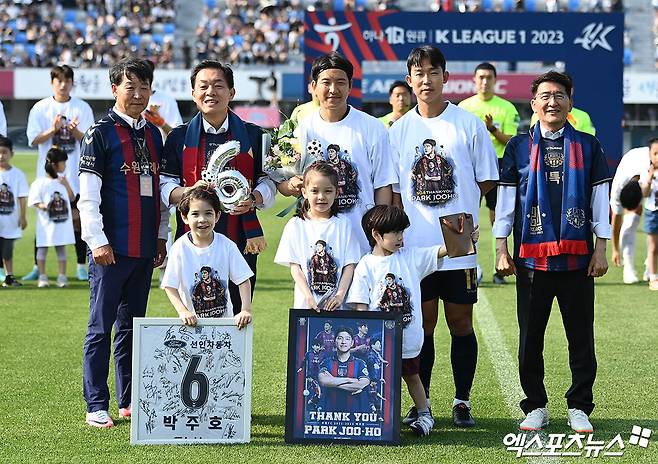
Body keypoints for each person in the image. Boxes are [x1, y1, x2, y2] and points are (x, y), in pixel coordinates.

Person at [493, 71, 611, 433]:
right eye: (545, 96)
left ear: (570, 102)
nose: (552, 102)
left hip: (578, 260)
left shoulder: (588, 146)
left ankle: (579, 406)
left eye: (559, 95)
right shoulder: (518, 147)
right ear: (533, 104)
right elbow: (507, 201)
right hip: (531, 261)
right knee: (530, 338)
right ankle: (535, 406)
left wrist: (601, 249)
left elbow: (599, 201)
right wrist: (501, 247)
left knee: (581, 336)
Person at [389, 46, 499, 428]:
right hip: (415, 247)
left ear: (445, 77)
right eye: (418, 73)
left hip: (458, 246)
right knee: (422, 325)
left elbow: (486, 179)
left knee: (461, 322)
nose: (426, 80)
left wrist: (462, 210)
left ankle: (462, 400)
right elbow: (397, 191)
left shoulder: (468, 124)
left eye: (433, 72)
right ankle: (422, 403)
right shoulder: (398, 131)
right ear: (409, 80)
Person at [78, 57, 169, 428]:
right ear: (114, 89)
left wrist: (161, 237)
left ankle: (129, 400)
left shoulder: (154, 135)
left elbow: (160, 194)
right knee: (101, 327)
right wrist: (96, 240)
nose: (138, 94)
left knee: (133, 328)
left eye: (144, 88)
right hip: (110, 250)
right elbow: (87, 195)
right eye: (130, 87)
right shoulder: (98, 134)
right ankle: (96, 403)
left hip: (144, 249)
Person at [348, 205, 479, 436]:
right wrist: (364, 336)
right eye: (395, 233)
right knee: (376, 379)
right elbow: (360, 304)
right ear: (377, 234)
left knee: (411, 376)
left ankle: (425, 415)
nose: (401, 237)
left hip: (408, 336)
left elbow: (440, 251)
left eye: (402, 232)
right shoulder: (365, 266)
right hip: (378, 342)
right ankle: (379, 416)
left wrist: (465, 238)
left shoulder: (409, 257)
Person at [160, 60, 277, 315]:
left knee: (239, 311)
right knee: (194, 310)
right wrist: (189, 192)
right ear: (193, 93)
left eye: (218, 86)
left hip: (241, 236)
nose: (210, 92)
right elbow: (165, 184)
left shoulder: (255, 135)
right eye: (203, 86)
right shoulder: (178, 137)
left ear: (231, 92)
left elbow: (269, 180)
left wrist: (254, 198)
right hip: (194, 236)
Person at [296, 52, 397, 253]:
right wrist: (291, 183)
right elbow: (287, 182)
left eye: (340, 82)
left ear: (350, 86)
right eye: (326, 82)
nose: (333, 89)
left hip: (363, 240)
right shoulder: (302, 130)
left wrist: (379, 232)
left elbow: (383, 183)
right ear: (314, 86)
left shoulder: (372, 127)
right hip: (316, 240)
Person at [24, 64, 94, 282]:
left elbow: (90, 141)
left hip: (75, 176)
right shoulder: (40, 108)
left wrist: (75, 131)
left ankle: (81, 266)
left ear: (72, 83)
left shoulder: (82, 107)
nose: (63, 85)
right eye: (59, 81)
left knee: (78, 222)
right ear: (52, 83)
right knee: (45, 221)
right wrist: (53, 129)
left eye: (67, 81)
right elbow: (33, 140)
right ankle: (38, 267)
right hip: (48, 178)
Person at [458, 62, 520, 285]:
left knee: (498, 217)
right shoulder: (463, 107)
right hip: (469, 166)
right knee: (465, 217)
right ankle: (463, 266)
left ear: (495, 80)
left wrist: (492, 129)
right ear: (474, 80)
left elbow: (512, 141)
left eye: (488, 77)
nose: (484, 81)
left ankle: (499, 267)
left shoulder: (507, 107)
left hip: (499, 165)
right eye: (481, 77)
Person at [274, 161, 361, 311]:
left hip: (336, 307)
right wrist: (309, 297)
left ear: (337, 193)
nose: (321, 197)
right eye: (314, 191)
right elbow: (295, 268)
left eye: (328, 191)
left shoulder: (344, 224)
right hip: (306, 306)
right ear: (304, 192)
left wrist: (339, 296)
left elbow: (349, 265)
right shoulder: (295, 225)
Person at [162, 186, 254, 325]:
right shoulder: (179, 248)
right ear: (184, 217)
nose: (202, 219)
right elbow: (170, 286)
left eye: (208, 213)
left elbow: (243, 279)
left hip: (223, 325)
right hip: (192, 325)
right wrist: (183, 311)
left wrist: (246, 309)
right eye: (195, 214)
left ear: (217, 216)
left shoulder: (227, 245)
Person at [27, 147, 75, 288]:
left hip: (62, 223)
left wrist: (66, 185)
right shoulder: (39, 183)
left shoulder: (63, 181)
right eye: (63, 163)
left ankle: (62, 277)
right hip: (46, 224)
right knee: (42, 249)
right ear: (54, 164)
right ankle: (42, 277)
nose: (65, 166)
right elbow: (34, 200)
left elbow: (72, 198)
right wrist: (43, 206)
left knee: (61, 249)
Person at [610, 145, 651, 283]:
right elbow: (616, 218)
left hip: (650, 175)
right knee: (630, 222)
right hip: (633, 164)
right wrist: (615, 249)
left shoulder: (651, 175)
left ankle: (651, 266)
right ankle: (628, 268)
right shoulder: (618, 187)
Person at [318, 327, 371, 414]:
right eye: (340, 338)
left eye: (347, 339)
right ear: (335, 341)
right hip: (329, 414)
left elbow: (362, 384)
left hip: (355, 415)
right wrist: (350, 380)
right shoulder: (326, 362)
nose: (343, 342)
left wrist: (332, 381)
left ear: (352, 343)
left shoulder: (360, 363)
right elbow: (323, 381)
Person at [0, 135, 28, 287]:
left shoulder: (18, 175)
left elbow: (22, 197)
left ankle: (9, 277)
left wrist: (22, 217)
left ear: (12, 153)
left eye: (4, 152)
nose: (1, 156)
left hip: (10, 220)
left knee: (7, 251)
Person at [143, 60, 183, 141]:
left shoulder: (167, 99)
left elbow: (178, 136)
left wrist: (161, 123)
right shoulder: (131, 100)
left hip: (160, 148)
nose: (144, 77)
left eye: (148, 73)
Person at [639, 138, 658, 290]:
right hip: (652, 213)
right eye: (655, 153)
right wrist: (650, 178)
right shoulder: (646, 172)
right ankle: (653, 277)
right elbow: (644, 193)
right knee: (653, 247)